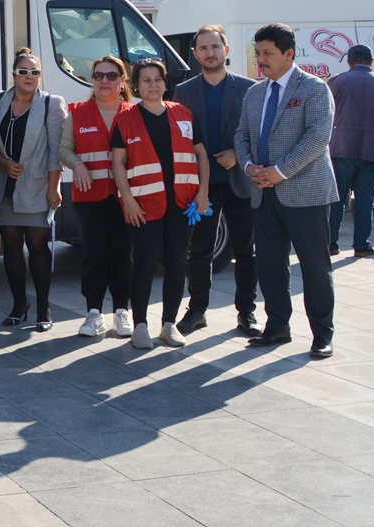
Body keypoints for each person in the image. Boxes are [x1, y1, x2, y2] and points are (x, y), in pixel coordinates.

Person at [234, 23, 338, 358]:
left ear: (289, 54)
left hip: (305, 193)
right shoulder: (254, 93)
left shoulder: (313, 89)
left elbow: (317, 137)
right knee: (269, 265)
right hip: (263, 194)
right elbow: (241, 137)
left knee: (314, 266)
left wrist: (279, 172)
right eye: (257, 52)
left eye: (267, 53)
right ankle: (277, 327)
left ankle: (322, 334)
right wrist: (248, 166)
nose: (260, 59)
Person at [111, 59, 210, 349]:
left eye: (157, 79)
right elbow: (117, 162)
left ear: (166, 84)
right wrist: (127, 200)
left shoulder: (183, 114)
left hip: (182, 204)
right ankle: (140, 324)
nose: (152, 85)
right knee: (143, 263)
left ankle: (169, 325)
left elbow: (201, 154)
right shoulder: (125, 118)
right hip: (143, 206)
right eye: (145, 80)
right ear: (136, 85)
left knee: (178, 264)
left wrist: (203, 192)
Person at [174, 26, 261, 337]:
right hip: (201, 186)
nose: (209, 53)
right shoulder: (184, 91)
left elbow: (258, 134)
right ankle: (197, 310)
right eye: (203, 48)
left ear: (226, 50)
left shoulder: (250, 88)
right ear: (195, 54)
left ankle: (247, 313)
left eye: (215, 46)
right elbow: (180, 137)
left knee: (245, 251)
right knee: (199, 250)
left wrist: (238, 154)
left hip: (240, 181)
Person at [0, 50, 67, 332]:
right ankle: (18, 304)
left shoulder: (51, 103)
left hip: (37, 187)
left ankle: (43, 306)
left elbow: (55, 151)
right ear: (14, 74)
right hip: (5, 187)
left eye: (34, 72)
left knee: (37, 246)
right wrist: (2, 163)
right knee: (10, 246)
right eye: (23, 72)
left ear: (40, 75)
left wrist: (54, 188)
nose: (29, 77)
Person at [60, 56, 136, 338]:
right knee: (92, 255)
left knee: (122, 254)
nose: (105, 81)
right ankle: (93, 313)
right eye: (98, 75)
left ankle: (121, 310)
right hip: (89, 197)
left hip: (124, 197)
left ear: (122, 81)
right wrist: (77, 163)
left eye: (112, 76)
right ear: (91, 80)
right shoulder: (78, 112)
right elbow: (63, 149)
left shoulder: (133, 113)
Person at [328, 44, 374, 257]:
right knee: (365, 201)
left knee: (337, 199)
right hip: (372, 151)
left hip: (341, 149)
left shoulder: (336, 82)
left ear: (349, 62)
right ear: (371, 62)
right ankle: (361, 245)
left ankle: (331, 243)